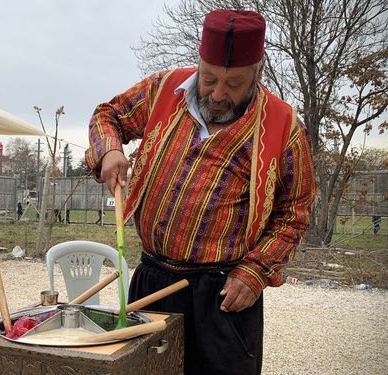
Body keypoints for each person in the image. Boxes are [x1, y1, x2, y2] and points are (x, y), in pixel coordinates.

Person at [85, 9, 315, 374]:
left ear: (259, 71)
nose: (219, 94)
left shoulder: (283, 125)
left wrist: (254, 273)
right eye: (209, 78)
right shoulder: (163, 89)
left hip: (223, 296)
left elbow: (295, 211)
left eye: (234, 83)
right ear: (199, 60)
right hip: (153, 279)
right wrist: (110, 149)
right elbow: (107, 115)